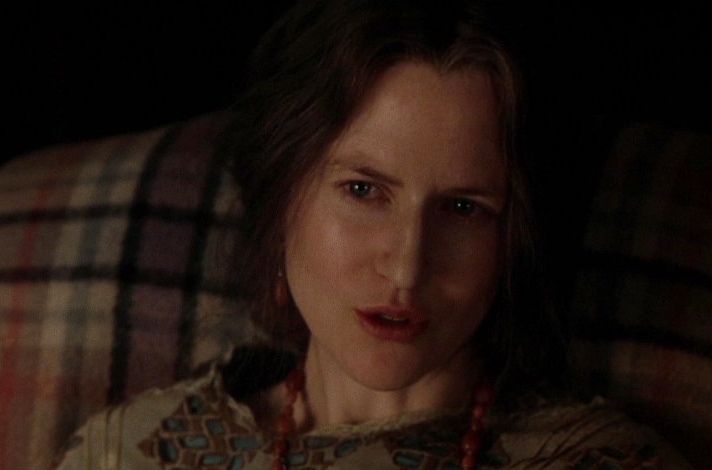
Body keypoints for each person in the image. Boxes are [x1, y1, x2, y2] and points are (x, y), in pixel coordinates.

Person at [54, 1, 690, 468]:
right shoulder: (129, 451)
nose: (407, 266)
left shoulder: (595, 461)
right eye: (363, 191)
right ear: (281, 198)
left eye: (463, 208)